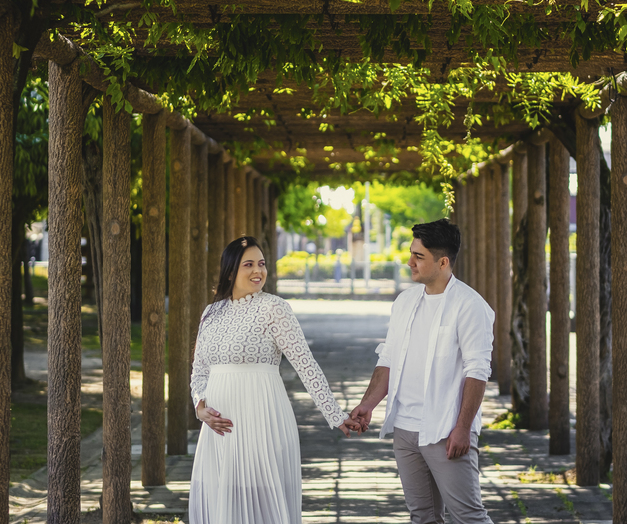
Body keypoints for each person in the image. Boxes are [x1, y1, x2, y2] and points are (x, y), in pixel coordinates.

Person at [190, 235, 361, 524]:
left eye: (262, 264)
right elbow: (199, 371)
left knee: (261, 502)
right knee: (224, 503)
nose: (258, 271)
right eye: (249, 265)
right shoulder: (211, 313)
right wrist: (200, 408)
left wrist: (335, 415)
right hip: (219, 430)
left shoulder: (274, 308)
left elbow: (306, 364)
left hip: (262, 420)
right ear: (230, 271)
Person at [348, 218, 495, 524]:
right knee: (423, 517)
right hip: (404, 429)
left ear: (443, 262)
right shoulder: (404, 302)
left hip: (444, 430)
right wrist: (367, 404)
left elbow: (477, 371)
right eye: (411, 253)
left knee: (468, 517)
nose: (409, 262)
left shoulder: (470, 306)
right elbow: (388, 358)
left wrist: (463, 427)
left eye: (418, 256)